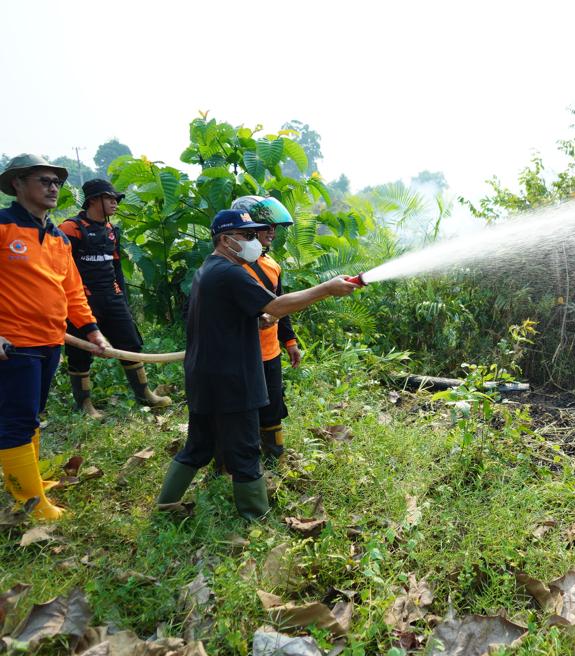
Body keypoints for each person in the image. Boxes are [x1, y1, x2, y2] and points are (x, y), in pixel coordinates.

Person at [155, 209, 359, 519]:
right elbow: (276, 305)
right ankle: (255, 518)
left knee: (199, 444)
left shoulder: (208, 269)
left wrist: (256, 320)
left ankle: (166, 504)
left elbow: (227, 315)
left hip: (205, 374)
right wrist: (327, 289)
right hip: (232, 378)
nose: (256, 242)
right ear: (226, 240)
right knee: (246, 450)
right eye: (248, 235)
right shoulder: (231, 272)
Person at [0, 154, 111, 520]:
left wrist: (92, 330)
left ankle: (30, 483)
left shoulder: (57, 238)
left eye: (56, 182)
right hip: (13, 343)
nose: (52, 188)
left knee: (32, 414)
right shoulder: (3, 226)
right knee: (17, 419)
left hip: (49, 340)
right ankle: (28, 502)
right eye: (43, 181)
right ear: (17, 184)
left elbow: (72, 290)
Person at [60, 179, 172, 417]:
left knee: (130, 342)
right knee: (79, 353)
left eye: (116, 199)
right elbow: (60, 268)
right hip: (81, 301)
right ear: (93, 200)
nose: (115, 203)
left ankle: (145, 395)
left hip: (112, 298)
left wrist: (122, 297)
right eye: (110, 199)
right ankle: (84, 405)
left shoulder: (111, 231)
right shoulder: (70, 229)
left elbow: (116, 267)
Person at [230, 195, 300, 468]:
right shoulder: (229, 267)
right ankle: (232, 463)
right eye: (265, 226)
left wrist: (290, 342)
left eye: (274, 227)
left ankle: (275, 458)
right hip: (241, 355)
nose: (272, 232)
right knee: (241, 409)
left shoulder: (272, 265)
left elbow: (281, 306)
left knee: (272, 406)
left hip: (270, 352)